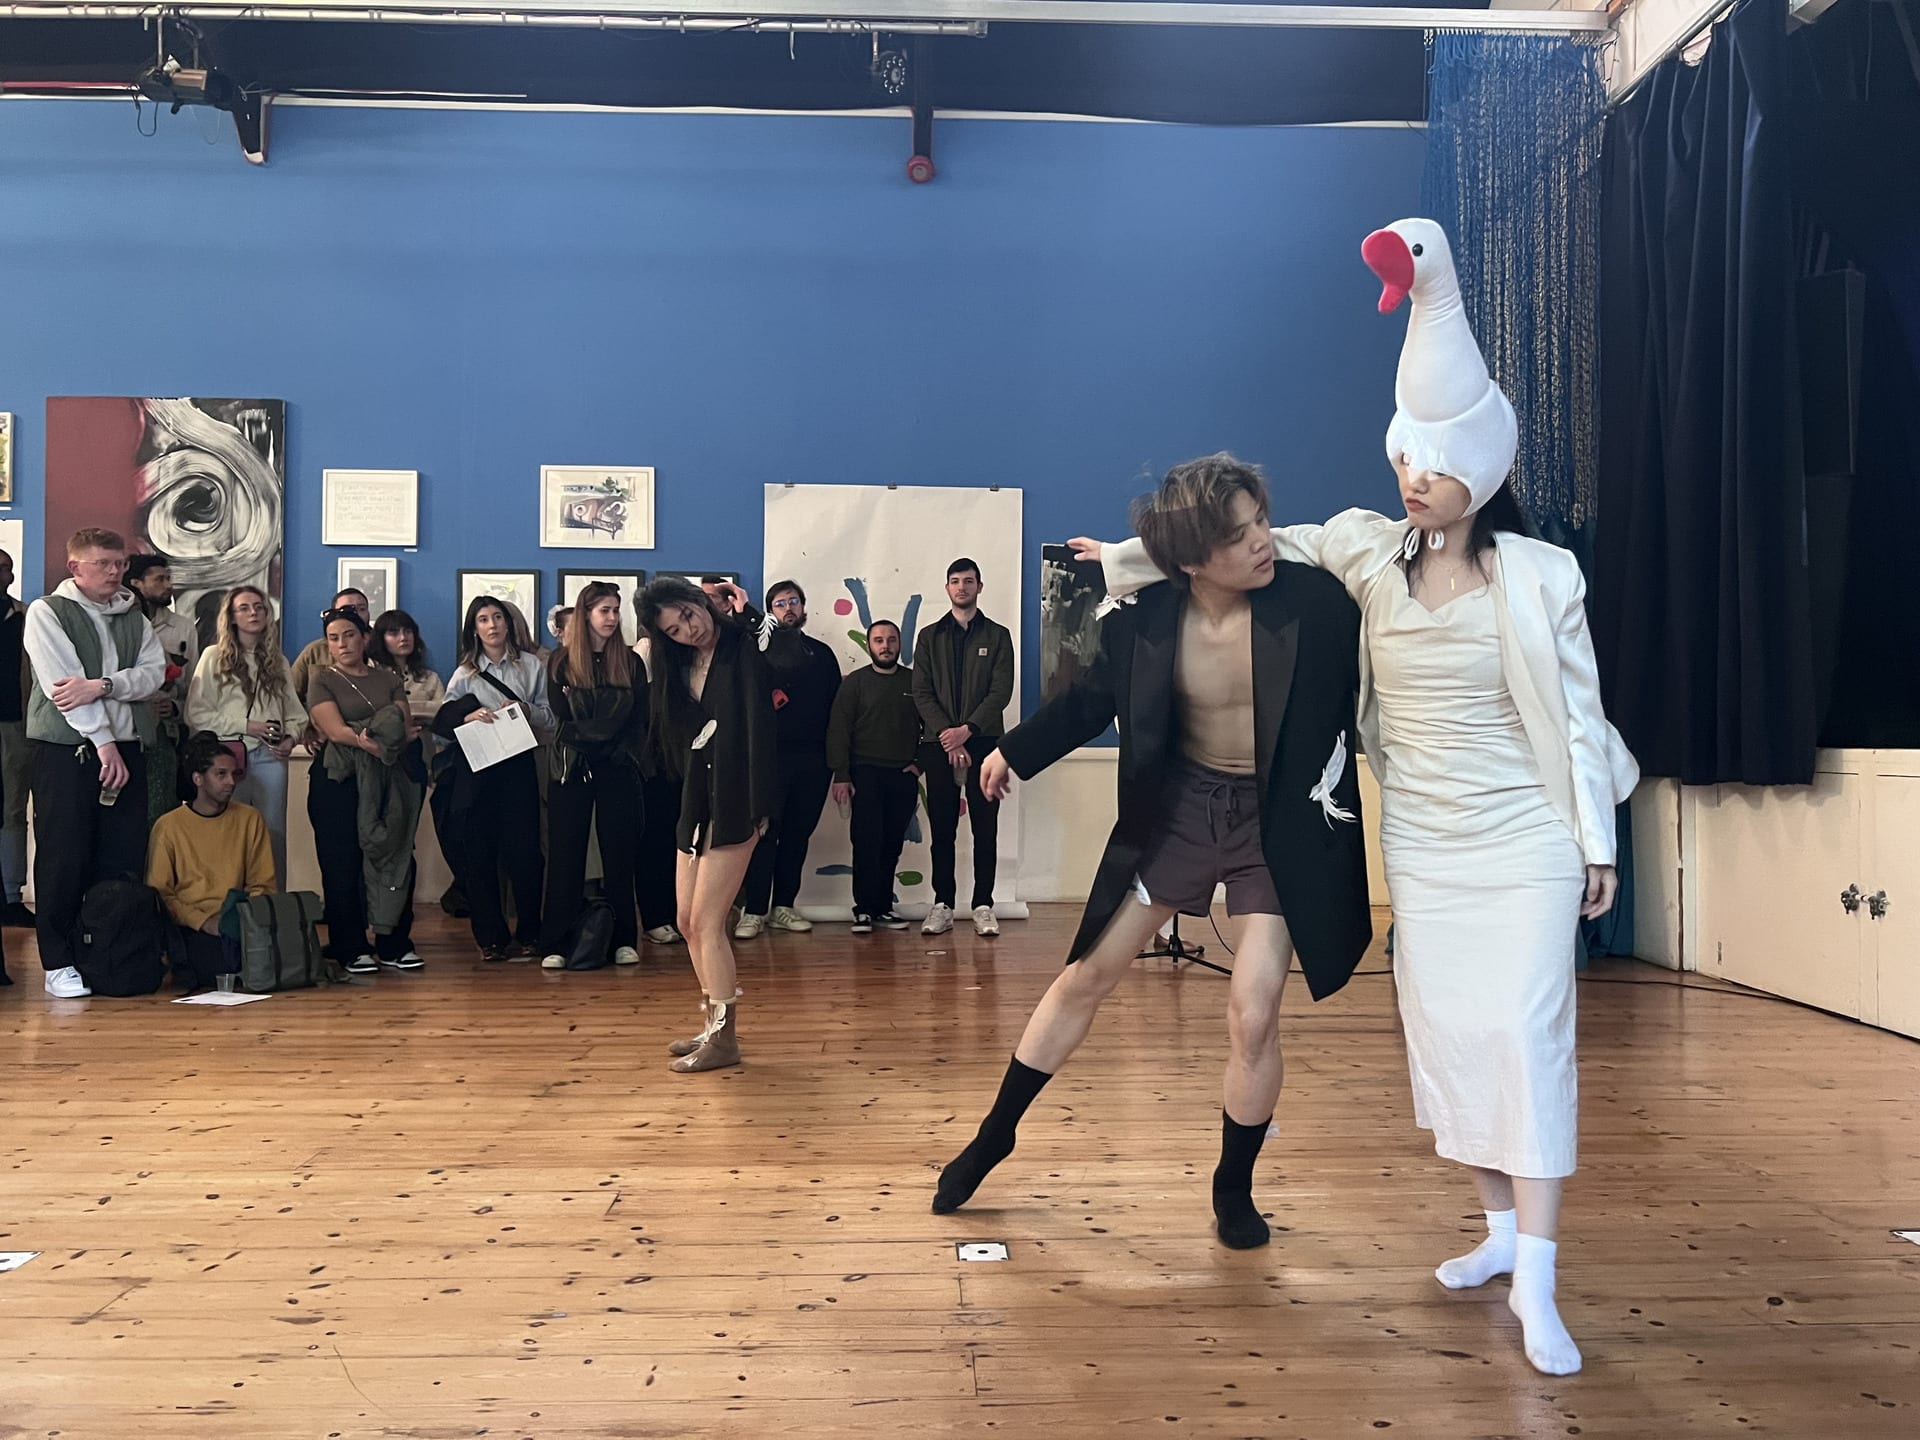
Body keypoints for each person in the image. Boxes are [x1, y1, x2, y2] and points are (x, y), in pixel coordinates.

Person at [1087, 218, 1640, 1378]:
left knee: (1528, 1038)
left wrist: (1596, 840)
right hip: (1427, 846)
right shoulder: (1364, 550)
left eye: (1431, 469)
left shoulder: (1544, 577)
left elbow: (1580, 719)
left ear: (1480, 470)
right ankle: (1496, 1236)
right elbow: (1251, 543)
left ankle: (1540, 1285)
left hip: (1526, 834)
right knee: (1452, 1039)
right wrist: (1123, 559)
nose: (1410, 484)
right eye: (1402, 462)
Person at [931, 456, 1372, 1254]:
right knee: (1084, 977)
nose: (1263, 543)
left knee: (1255, 1009)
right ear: (1193, 560)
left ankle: (1232, 1185)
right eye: (1239, 538)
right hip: (1179, 814)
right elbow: (1089, 701)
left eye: (1262, 522)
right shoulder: (1144, 620)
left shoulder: (1319, 606)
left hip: (1277, 825)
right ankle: (996, 1135)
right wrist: (1012, 751)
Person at [637, 576, 777, 1074]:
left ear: (703, 602)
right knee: (685, 921)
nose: (688, 631)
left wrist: (752, 615)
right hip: (698, 796)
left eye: (689, 617)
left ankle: (725, 1040)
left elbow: (780, 661)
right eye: (673, 630)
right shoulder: (677, 664)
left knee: (709, 922)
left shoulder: (742, 644)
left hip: (738, 797)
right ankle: (712, 1021)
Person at [24, 527, 168, 998]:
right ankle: (58, 960)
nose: (115, 572)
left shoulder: (134, 615)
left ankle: (106, 949)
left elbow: (151, 676)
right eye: (104, 564)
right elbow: (62, 686)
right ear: (75, 568)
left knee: (121, 854)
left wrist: (103, 684)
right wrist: (103, 740)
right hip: (69, 752)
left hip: (129, 748)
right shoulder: (48, 613)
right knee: (64, 854)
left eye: (121, 563)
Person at [305, 606, 424, 974]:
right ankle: (351, 945)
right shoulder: (321, 678)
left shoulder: (387, 677)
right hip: (338, 779)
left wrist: (381, 738)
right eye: (334, 638)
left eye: (350, 635)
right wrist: (371, 739)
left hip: (390, 776)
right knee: (342, 863)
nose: (342, 644)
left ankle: (393, 942)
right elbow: (335, 730)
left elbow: (402, 727)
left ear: (365, 638)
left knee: (395, 853)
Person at [438, 596, 553, 961]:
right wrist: (467, 716)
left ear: (508, 623)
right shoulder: (465, 673)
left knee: (525, 854)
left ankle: (531, 934)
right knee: (479, 856)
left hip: (519, 766)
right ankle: (490, 939)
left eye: (498, 617)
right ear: (474, 628)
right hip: (478, 770)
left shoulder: (532, 666)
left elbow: (552, 720)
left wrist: (525, 710)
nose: (492, 625)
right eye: (483, 619)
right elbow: (443, 723)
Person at [540, 582, 647, 971]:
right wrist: (604, 725)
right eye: (605, 610)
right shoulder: (561, 661)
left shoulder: (631, 662)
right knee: (565, 853)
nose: (613, 618)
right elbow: (563, 720)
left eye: (617, 610)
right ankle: (555, 942)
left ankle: (623, 940)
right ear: (586, 614)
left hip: (617, 765)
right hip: (573, 765)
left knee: (620, 853)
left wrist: (601, 728)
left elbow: (638, 718)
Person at [912, 557, 1015, 937]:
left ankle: (983, 903)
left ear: (979, 587)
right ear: (947, 588)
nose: (961, 587)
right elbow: (921, 692)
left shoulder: (998, 635)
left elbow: (1000, 692)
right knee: (942, 827)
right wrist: (947, 734)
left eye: (968, 581)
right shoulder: (928, 636)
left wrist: (967, 731)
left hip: (986, 742)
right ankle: (943, 903)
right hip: (938, 743)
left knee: (985, 827)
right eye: (954, 581)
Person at [735, 579, 841, 939]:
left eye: (794, 601)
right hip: (768, 760)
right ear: (769, 612)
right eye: (780, 603)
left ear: (804, 607)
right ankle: (753, 910)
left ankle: (783, 906)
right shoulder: (753, 651)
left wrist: (836, 763)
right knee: (763, 834)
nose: (789, 608)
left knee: (797, 835)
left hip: (813, 761)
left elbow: (836, 712)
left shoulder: (823, 654)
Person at [187, 585, 305, 888]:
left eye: (259, 607)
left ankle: (271, 907)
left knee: (272, 834)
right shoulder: (214, 657)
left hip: (270, 758)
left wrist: (290, 738)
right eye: (245, 608)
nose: (253, 612)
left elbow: (296, 714)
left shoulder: (277, 661)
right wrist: (246, 724)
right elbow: (197, 714)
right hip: (227, 759)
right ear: (232, 617)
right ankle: (226, 905)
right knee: (228, 830)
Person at [148, 731, 275, 988]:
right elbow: (160, 895)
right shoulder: (169, 826)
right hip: (194, 925)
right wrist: (204, 922)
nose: (231, 782)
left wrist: (245, 920)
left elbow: (263, 883)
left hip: (241, 922)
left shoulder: (250, 819)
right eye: (221, 774)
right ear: (198, 779)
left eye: (234, 774)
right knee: (214, 968)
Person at [825, 619, 921, 932]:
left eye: (891, 640)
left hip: (902, 775)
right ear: (869, 645)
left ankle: (883, 908)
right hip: (863, 773)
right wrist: (841, 773)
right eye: (878, 640)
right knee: (866, 842)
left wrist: (920, 764)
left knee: (892, 843)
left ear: (899, 644)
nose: (885, 646)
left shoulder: (915, 681)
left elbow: (933, 725)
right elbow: (838, 728)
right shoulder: (854, 683)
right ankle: (863, 910)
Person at [125, 554, 200, 828]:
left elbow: (193, 686)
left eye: (169, 578)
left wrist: (176, 708)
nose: (167, 585)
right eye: (159, 579)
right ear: (135, 583)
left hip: (165, 732)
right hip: (125, 729)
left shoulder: (182, 627)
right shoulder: (120, 625)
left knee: (163, 808)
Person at [0, 548, 33, 931]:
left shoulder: (26, 617)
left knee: (12, 811)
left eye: (6, 567)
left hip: (16, 725)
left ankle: (10, 895)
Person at [290, 588, 370, 705]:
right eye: (346, 610)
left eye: (361, 609)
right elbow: (290, 695)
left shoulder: (382, 647)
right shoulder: (315, 651)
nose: (355, 614)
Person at [369, 609, 447, 719]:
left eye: (408, 631)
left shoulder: (430, 678)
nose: (403, 638)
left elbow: (443, 711)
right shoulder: (372, 673)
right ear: (381, 638)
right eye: (394, 633)